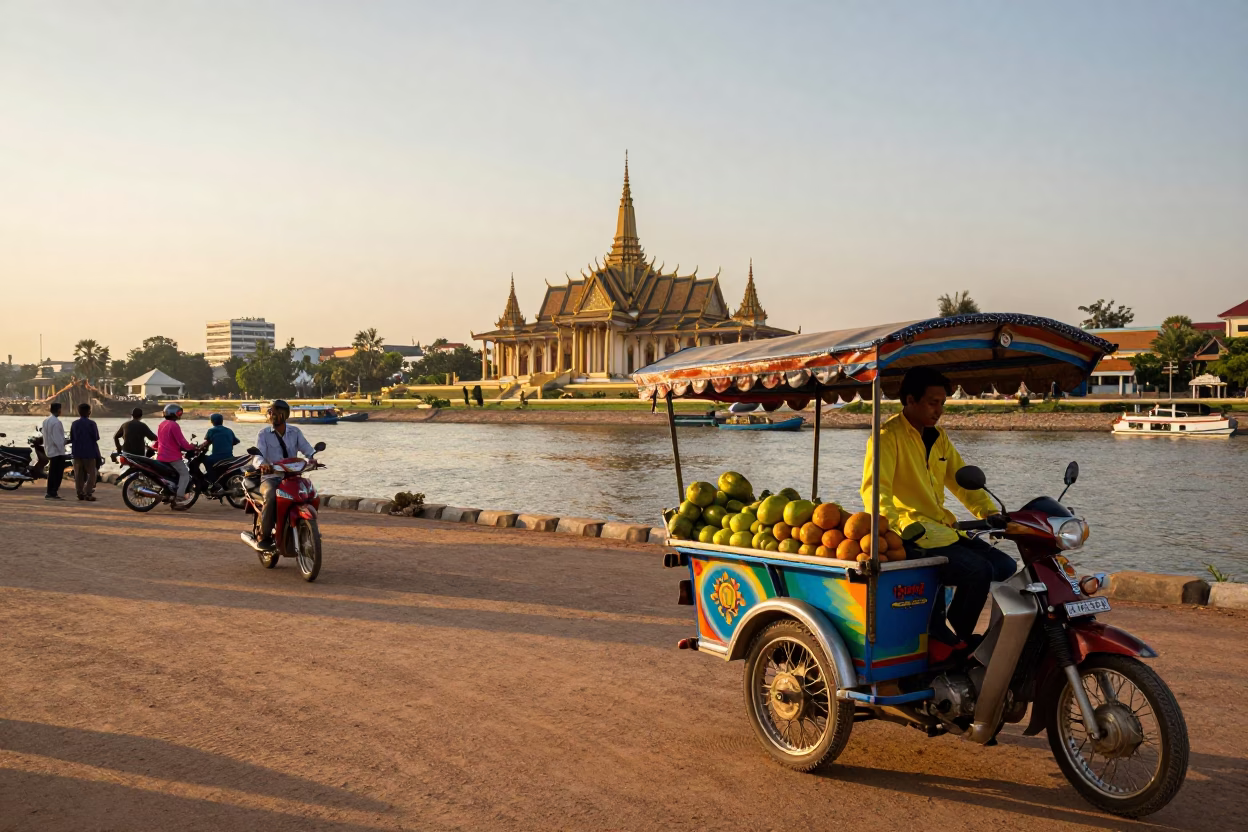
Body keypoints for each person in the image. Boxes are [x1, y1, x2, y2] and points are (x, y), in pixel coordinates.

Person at [860, 366, 1015, 662]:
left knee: (1005, 565)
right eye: (933, 402)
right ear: (910, 400)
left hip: (942, 530)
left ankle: (947, 633)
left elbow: (961, 481)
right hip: (911, 534)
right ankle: (951, 640)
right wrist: (895, 527)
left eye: (942, 403)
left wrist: (992, 512)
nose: (939, 410)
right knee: (977, 570)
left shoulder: (939, 437)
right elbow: (874, 492)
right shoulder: (886, 436)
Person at [252, 399, 315, 550]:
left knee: (310, 493)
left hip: (292, 477)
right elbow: (257, 455)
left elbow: (308, 450)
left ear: (284, 415)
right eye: (271, 413)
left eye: (275, 413)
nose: (272, 416)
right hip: (271, 477)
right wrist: (263, 465)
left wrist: (312, 459)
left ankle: (307, 528)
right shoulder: (263, 434)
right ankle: (264, 535)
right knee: (272, 497)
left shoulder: (295, 432)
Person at [156, 403, 197, 506]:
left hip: (161, 456)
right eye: (179, 413)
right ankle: (179, 496)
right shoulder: (174, 425)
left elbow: (159, 441)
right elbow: (182, 442)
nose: (180, 415)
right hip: (172, 457)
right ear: (174, 413)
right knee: (184, 474)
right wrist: (192, 447)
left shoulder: (162, 424)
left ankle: (168, 493)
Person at [69, 402, 102, 501]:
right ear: (89, 412)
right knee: (92, 474)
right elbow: (96, 438)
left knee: (78, 474)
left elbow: (72, 438)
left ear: (79, 412)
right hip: (89, 452)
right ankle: (88, 492)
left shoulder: (74, 424)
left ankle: (80, 493)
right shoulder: (92, 424)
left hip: (77, 452)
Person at [201, 413, 239, 490]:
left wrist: (198, 447)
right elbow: (236, 441)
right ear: (222, 421)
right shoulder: (229, 430)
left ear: (212, 421)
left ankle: (213, 481)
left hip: (217, 457)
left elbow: (206, 443)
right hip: (229, 457)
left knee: (204, 459)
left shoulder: (211, 431)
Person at [41, 402, 68, 500]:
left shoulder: (46, 421)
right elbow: (58, 439)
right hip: (57, 451)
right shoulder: (57, 422)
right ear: (58, 410)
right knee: (57, 473)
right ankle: (53, 491)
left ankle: (50, 491)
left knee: (52, 472)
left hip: (49, 449)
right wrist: (63, 447)